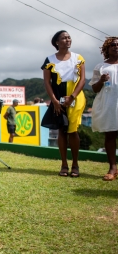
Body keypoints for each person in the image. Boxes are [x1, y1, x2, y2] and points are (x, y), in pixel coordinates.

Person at [41, 30, 86, 177]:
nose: (67, 40)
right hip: (58, 96)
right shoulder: (49, 59)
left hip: (75, 96)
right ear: (57, 42)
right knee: (62, 129)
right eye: (63, 38)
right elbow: (47, 82)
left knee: (73, 130)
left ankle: (75, 165)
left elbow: (82, 80)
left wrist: (72, 97)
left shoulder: (78, 58)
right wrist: (54, 100)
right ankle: (64, 164)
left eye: (69, 37)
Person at [89, 37, 118, 181]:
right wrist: (101, 80)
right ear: (107, 48)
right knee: (110, 135)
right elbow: (94, 88)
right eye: (113, 44)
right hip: (108, 105)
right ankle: (112, 168)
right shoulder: (100, 66)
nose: (116, 46)